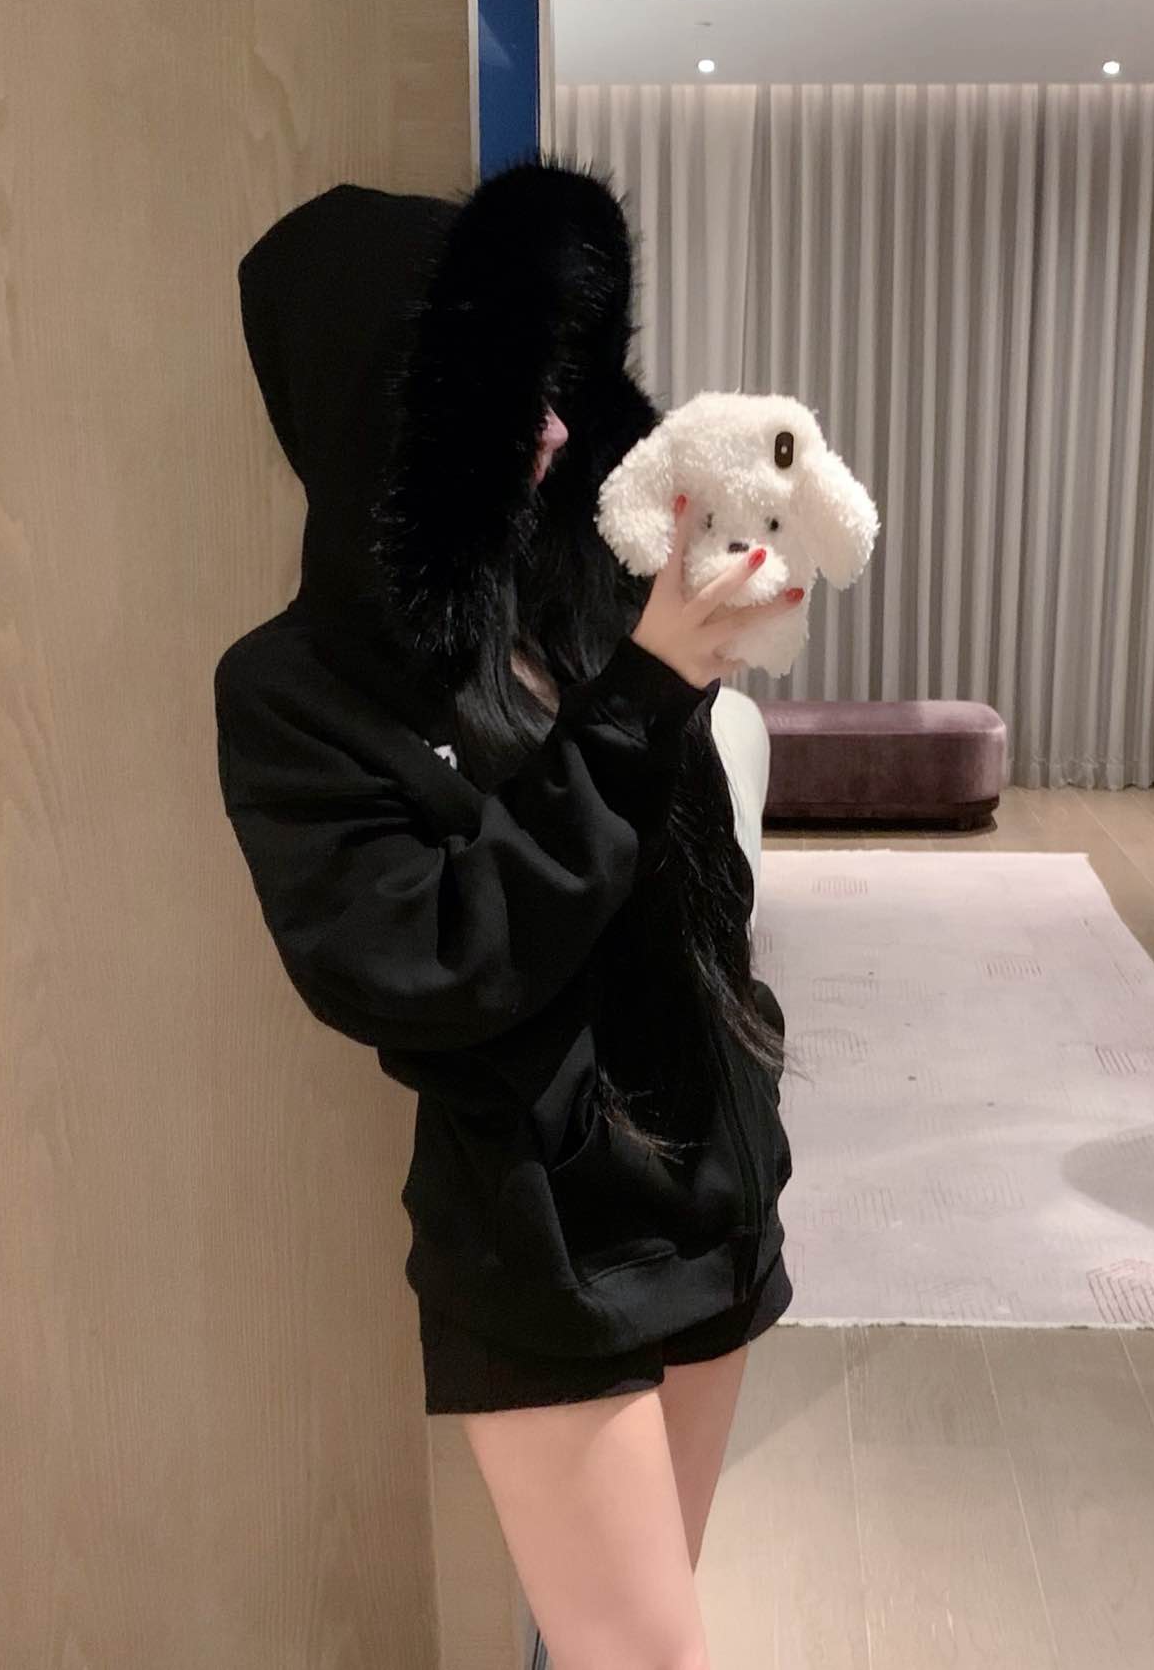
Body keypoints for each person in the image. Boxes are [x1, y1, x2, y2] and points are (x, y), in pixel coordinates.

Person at [214, 161, 797, 1670]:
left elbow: (703, 883)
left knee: (640, 1631)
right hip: (543, 1245)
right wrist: (645, 699)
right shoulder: (297, 692)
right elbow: (424, 963)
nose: (545, 426)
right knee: (645, 1657)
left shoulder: (584, 593)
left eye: (549, 383)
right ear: (397, 415)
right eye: (498, 392)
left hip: (711, 1191)